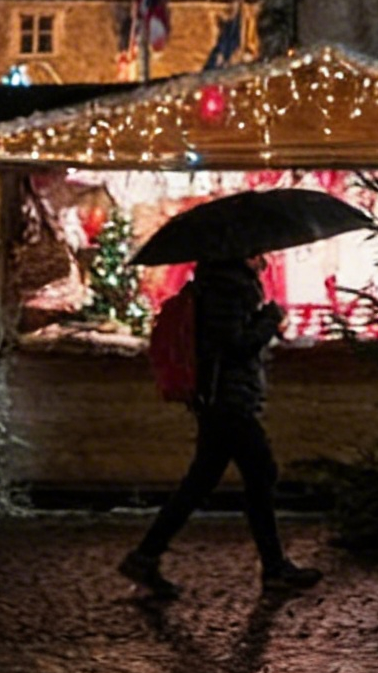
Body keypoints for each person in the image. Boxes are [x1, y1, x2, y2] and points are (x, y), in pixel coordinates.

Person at [118, 256, 322, 599]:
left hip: (219, 398)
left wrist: (260, 317)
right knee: (260, 473)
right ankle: (274, 569)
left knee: (203, 481)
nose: (266, 254)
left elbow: (226, 338)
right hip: (227, 399)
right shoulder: (226, 288)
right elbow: (233, 345)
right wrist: (270, 319)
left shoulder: (219, 284)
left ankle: (145, 556)